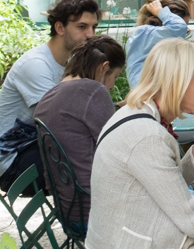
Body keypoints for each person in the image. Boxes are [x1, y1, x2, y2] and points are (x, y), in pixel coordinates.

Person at [87, 39, 194, 249]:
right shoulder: (147, 136)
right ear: (177, 81)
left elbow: (175, 182)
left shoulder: (137, 113)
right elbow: (191, 218)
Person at [0, 0, 100, 193]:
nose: (90, 35)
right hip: (15, 164)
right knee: (97, 166)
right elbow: (61, 122)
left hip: (39, 147)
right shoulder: (36, 65)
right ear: (60, 28)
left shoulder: (69, 62)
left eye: (94, 27)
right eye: (82, 27)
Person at [35, 35, 126, 230]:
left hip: (69, 210)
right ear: (104, 67)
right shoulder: (94, 90)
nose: (112, 86)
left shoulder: (51, 95)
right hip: (96, 211)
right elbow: (120, 148)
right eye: (115, 76)